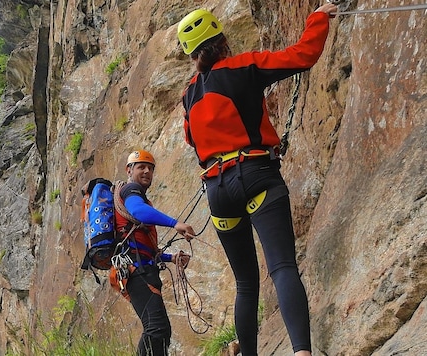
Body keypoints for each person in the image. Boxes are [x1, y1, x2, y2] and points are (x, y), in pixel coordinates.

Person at [176, 3, 338, 356]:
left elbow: (192, 138)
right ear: (222, 41)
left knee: (246, 283)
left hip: (217, 190)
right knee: (281, 266)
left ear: (192, 55)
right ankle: (302, 352)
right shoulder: (242, 66)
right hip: (255, 174)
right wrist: (319, 16)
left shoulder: (189, 94)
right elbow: (302, 55)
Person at [112, 149, 196, 356]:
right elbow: (139, 212)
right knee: (156, 328)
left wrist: (171, 257)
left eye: (150, 168)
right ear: (129, 170)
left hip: (139, 268)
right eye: (141, 167)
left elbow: (145, 248)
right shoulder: (130, 190)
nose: (147, 171)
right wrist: (175, 223)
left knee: (159, 329)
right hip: (136, 270)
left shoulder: (131, 195)